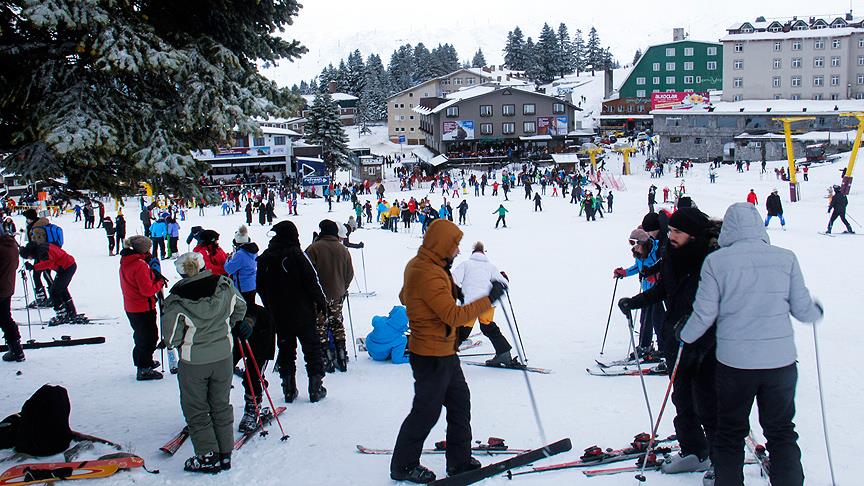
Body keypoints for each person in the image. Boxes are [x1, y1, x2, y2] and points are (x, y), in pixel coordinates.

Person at [679, 202, 823, 486]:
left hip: (736, 365)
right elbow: (803, 310)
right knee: (781, 431)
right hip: (779, 364)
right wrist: (815, 310)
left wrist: (685, 336)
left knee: (730, 432)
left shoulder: (717, 261)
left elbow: (705, 313)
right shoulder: (786, 258)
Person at [390, 220, 503, 483]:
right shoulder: (427, 272)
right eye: (454, 245)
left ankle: (459, 461)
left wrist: (453, 290)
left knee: (460, 403)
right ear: (442, 245)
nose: (457, 251)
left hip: (444, 352)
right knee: (426, 411)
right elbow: (453, 317)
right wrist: (487, 299)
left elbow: (405, 296)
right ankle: (403, 465)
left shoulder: (425, 265)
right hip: (431, 356)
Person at [617, 208, 719, 476]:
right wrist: (635, 302)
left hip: (706, 344)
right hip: (677, 339)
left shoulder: (711, 261)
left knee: (707, 402)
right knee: (682, 398)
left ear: (693, 235)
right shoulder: (672, 256)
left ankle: (722, 461)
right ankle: (695, 450)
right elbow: (664, 288)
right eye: (670, 230)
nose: (670, 235)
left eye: (677, 231)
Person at [161, 252, 248, 474]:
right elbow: (241, 307)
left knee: (196, 408)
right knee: (220, 403)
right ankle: (225, 452)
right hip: (223, 355)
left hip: (194, 361)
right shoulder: (224, 286)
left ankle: (208, 455)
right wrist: (227, 325)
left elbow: (171, 339)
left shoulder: (176, 301)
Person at [256, 221, 327, 403]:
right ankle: (315, 387)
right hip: (302, 312)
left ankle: (288, 389)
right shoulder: (297, 255)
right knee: (312, 348)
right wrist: (321, 302)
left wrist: (270, 306)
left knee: (286, 349)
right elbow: (312, 280)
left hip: (279, 314)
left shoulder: (265, 258)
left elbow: (260, 286)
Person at [223, 226, 275, 434]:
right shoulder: (253, 255)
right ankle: (219, 407)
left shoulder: (241, 256)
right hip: (246, 295)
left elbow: (227, 269)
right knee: (225, 367)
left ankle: (252, 406)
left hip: (248, 304)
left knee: (253, 369)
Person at [451, 242, 518, 368]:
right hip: (486, 304)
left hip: (470, 304)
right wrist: (504, 277)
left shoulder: (466, 264)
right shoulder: (491, 267)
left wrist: (459, 294)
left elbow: (452, 280)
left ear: (473, 253)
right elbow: (503, 283)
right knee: (488, 327)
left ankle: (444, 355)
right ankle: (504, 353)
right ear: (483, 254)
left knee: (461, 330)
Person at [306, 220, 354, 373]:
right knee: (337, 324)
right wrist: (342, 288)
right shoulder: (343, 249)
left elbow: (307, 273)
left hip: (318, 296)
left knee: (320, 327)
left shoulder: (313, 249)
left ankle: (326, 359)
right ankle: (341, 357)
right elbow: (350, 273)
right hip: (337, 294)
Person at [119, 236, 167, 381]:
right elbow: (147, 290)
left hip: (133, 305)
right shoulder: (139, 265)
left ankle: (144, 361)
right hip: (142, 307)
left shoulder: (127, 261)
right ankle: (144, 368)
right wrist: (159, 282)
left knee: (141, 336)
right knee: (149, 338)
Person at [613, 229, 662, 357]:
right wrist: (624, 272)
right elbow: (637, 268)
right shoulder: (640, 254)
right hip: (646, 292)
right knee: (644, 320)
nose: (635, 249)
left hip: (658, 293)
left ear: (644, 243)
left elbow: (664, 268)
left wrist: (656, 276)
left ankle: (663, 348)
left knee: (658, 321)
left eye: (636, 246)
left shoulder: (656, 251)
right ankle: (644, 346)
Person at [20, 241, 78, 326]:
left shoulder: (41, 251)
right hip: (66, 266)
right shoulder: (41, 247)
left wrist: (34, 267)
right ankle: (70, 311)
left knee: (54, 291)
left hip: (67, 267)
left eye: (28, 257)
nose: (30, 259)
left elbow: (48, 262)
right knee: (61, 289)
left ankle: (62, 314)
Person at [0, 225, 23, 362]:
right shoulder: (11, 245)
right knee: (5, 318)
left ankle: (16, 349)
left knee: (4, 319)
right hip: (7, 287)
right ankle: (16, 349)